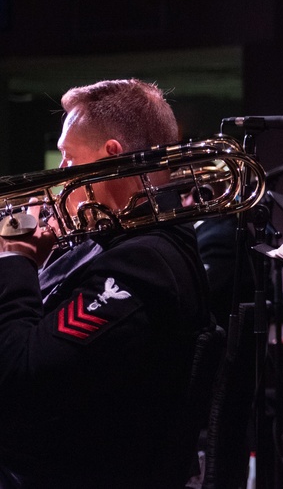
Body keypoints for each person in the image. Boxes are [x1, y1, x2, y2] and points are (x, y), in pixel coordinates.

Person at [0, 78, 214, 489]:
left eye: (68, 157)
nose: (60, 175)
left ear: (111, 157)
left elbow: (20, 378)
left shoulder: (144, 262)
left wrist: (16, 259)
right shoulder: (117, 245)